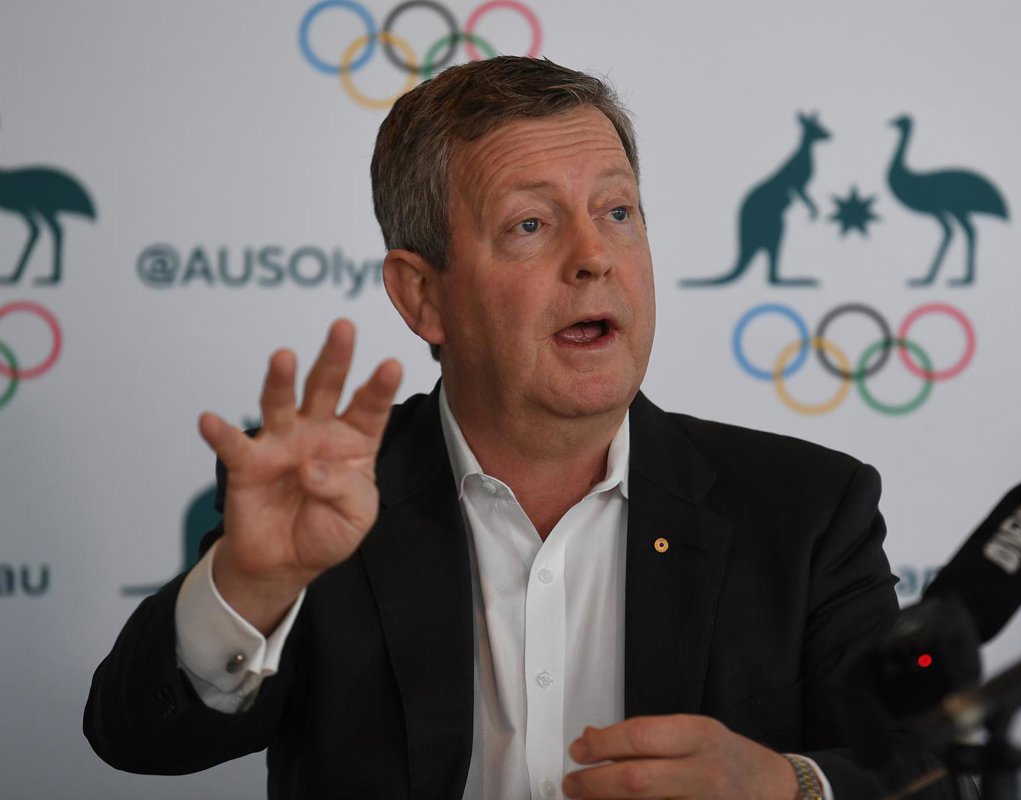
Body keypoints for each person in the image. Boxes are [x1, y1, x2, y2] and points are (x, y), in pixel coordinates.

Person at [85, 57, 947, 800]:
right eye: (531, 224)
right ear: (423, 295)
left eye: (617, 212)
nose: (595, 256)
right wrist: (252, 586)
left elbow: (931, 774)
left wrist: (787, 785)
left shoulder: (805, 509)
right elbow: (137, 738)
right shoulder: (335, 496)